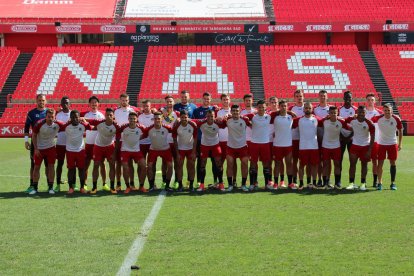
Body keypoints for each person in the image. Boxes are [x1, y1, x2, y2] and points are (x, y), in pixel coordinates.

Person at [30, 109, 64, 195]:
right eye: (48, 117)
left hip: (51, 148)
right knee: (36, 167)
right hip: (39, 149)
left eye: (52, 117)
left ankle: (51, 187)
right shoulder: (39, 124)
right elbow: (34, 136)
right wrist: (36, 148)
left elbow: (68, 125)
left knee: (51, 167)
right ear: (46, 116)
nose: (50, 118)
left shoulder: (58, 124)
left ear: (54, 117)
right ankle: (35, 188)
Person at [87, 108, 120, 194]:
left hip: (110, 147)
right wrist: (81, 118)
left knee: (112, 165)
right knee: (96, 165)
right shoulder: (99, 122)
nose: (108, 116)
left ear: (113, 117)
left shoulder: (116, 126)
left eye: (111, 115)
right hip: (98, 146)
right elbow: (88, 120)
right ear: (105, 115)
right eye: (107, 115)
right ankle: (94, 187)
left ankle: (112, 187)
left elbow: (117, 141)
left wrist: (114, 153)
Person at [371, 103, 403, 191]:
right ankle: (379, 183)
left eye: (389, 110)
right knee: (380, 163)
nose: (387, 112)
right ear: (383, 111)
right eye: (385, 110)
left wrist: (400, 144)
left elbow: (400, 131)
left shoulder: (396, 119)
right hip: (381, 144)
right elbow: (369, 121)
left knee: (392, 163)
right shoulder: (378, 118)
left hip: (392, 143)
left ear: (391, 110)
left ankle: (392, 183)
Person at [219, 104, 251, 192]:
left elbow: (252, 125)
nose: (235, 112)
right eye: (233, 111)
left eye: (237, 111)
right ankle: (230, 185)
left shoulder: (244, 120)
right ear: (231, 112)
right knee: (229, 164)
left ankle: (244, 185)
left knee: (244, 164)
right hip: (231, 147)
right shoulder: (228, 120)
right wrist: (219, 119)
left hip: (242, 146)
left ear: (239, 111)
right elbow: (220, 125)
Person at [318, 106, 350, 189]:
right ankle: (325, 183)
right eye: (331, 113)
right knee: (325, 164)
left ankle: (337, 183)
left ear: (337, 113)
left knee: (337, 164)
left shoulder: (341, 122)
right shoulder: (324, 121)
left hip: (336, 146)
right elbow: (317, 123)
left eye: (335, 113)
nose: (333, 115)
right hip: (325, 146)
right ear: (329, 113)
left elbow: (350, 128)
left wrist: (347, 138)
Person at [193, 110, 224, 192]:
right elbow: (191, 120)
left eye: (212, 116)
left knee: (218, 164)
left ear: (215, 116)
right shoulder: (202, 122)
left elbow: (227, 121)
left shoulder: (218, 123)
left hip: (215, 145)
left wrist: (225, 117)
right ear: (206, 117)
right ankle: (202, 185)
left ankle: (221, 184)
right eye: (209, 116)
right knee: (202, 165)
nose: (210, 118)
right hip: (204, 145)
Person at [61, 110, 91, 194]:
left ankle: (82, 187)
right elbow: (59, 127)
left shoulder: (83, 125)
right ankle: (71, 188)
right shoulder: (66, 126)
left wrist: (85, 121)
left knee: (81, 169)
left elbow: (91, 127)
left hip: (80, 150)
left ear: (79, 118)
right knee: (71, 169)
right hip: (70, 151)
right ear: (70, 118)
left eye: (77, 117)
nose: (75, 119)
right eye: (73, 117)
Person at [244, 100, 273, 190]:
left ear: (265, 107)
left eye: (263, 107)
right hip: (254, 143)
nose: (261, 109)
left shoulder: (269, 116)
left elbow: (280, 112)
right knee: (253, 163)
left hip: (265, 143)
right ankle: (253, 183)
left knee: (266, 164)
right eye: (259, 107)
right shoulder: (253, 116)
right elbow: (243, 117)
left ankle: (267, 184)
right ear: (257, 108)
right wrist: (249, 123)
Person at [116, 112, 148, 194]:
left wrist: (139, 138)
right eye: (130, 118)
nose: (132, 120)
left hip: (136, 150)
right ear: (128, 119)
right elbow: (117, 132)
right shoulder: (123, 127)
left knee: (144, 166)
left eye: (134, 119)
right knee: (126, 167)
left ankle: (141, 186)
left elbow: (146, 133)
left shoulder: (141, 127)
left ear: (137, 119)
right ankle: (128, 186)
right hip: (125, 150)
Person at [345, 106, 375, 191]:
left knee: (364, 165)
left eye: (363, 112)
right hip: (355, 145)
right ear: (357, 112)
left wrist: (369, 150)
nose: (362, 114)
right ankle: (351, 183)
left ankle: (363, 184)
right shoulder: (352, 120)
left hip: (365, 146)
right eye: (360, 112)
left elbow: (372, 138)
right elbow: (344, 122)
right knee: (352, 164)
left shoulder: (369, 123)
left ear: (365, 113)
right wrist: (350, 129)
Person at [292, 102, 320, 190]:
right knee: (301, 166)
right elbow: (289, 125)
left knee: (314, 165)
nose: (307, 109)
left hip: (314, 146)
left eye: (309, 108)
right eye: (306, 108)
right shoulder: (298, 120)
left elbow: (328, 120)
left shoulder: (317, 119)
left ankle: (313, 183)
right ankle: (301, 183)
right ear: (303, 109)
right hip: (303, 146)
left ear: (312, 109)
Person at [192, 92, 219, 185]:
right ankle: (199, 181)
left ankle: (216, 181)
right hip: (201, 140)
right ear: (202, 99)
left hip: (213, 140)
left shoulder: (215, 110)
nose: (206, 100)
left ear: (211, 99)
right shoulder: (196, 110)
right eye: (205, 99)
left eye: (208, 99)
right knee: (200, 161)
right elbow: (193, 124)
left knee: (214, 161)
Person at [24, 94, 48, 194]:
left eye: (43, 100)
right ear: (36, 101)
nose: (41, 102)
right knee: (33, 165)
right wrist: (26, 140)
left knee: (48, 165)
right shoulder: (32, 113)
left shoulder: (49, 112)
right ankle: (32, 185)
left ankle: (49, 186)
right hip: (35, 144)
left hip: (47, 143)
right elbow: (26, 127)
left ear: (45, 101)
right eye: (39, 100)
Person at [270, 100, 296, 189]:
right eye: (282, 106)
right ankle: (276, 183)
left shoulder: (291, 117)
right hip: (277, 145)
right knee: (277, 164)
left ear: (287, 106)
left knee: (289, 163)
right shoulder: (274, 117)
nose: (283, 107)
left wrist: (290, 112)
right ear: (279, 107)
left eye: (285, 106)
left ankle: (290, 183)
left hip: (288, 145)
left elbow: (297, 120)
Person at [114, 93, 139, 191]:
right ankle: (119, 184)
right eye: (122, 100)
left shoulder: (133, 110)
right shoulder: (116, 111)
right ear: (120, 100)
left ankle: (132, 184)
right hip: (119, 140)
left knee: (130, 163)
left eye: (126, 100)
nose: (124, 102)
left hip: (130, 141)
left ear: (128, 101)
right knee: (118, 163)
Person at [82, 96, 106, 188]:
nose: (94, 104)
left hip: (99, 144)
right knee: (86, 163)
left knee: (101, 163)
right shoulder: (86, 115)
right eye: (92, 102)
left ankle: (104, 184)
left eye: (95, 102)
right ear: (89, 104)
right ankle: (84, 184)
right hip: (89, 143)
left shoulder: (102, 115)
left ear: (98, 104)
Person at [146, 112, 174, 192]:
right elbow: (141, 135)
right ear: (153, 119)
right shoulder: (149, 129)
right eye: (155, 119)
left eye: (159, 118)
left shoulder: (167, 128)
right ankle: (151, 186)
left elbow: (175, 130)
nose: (157, 120)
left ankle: (167, 185)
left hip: (165, 149)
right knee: (150, 166)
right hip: (153, 150)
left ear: (162, 119)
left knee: (170, 165)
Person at [172, 110, 198, 191]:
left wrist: (194, 152)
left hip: (190, 149)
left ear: (188, 117)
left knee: (191, 166)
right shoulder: (176, 126)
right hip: (180, 149)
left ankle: (191, 185)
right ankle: (180, 185)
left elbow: (195, 139)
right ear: (180, 117)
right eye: (182, 117)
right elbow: (175, 140)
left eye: (186, 117)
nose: (184, 119)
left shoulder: (193, 125)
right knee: (179, 167)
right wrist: (177, 153)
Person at [217, 93, 237, 186]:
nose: (226, 101)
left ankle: (234, 181)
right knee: (220, 162)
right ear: (221, 101)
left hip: (232, 140)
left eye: (227, 99)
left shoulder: (234, 111)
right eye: (224, 99)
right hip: (221, 140)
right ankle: (221, 182)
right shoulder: (219, 112)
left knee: (233, 162)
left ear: (230, 100)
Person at [160, 95, 180, 187]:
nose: (169, 103)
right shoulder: (160, 113)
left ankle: (176, 181)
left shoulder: (177, 113)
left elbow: (169, 120)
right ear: (165, 103)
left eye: (171, 101)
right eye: (167, 101)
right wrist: (162, 111)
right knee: (164, 162)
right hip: (164, 141)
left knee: (176, 161)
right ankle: (164, 181)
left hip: (175, 141)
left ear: (174, 102)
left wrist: (165, 113)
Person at [365, 93, 383, 188]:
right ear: (366, 101)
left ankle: (375, 181)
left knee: (375, 161)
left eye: (372, 100)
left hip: (375, 140)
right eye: (368, 100)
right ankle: (362, 181)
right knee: (363, 162)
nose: (370, 101)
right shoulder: (362, 112)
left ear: (375, 101)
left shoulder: (379, 113)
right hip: (364, 140)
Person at [313, 90, 330, 187]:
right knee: (319, 160)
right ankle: (319, 179)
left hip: (329, 138)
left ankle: (327, 179)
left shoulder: (331, 108)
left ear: (327, 97)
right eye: (321, 96)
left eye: (324, 96)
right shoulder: (315, 109)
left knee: (328, 160)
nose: (322, 97)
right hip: (318, 138)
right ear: (318, 97)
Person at [54, 96, 71, 192]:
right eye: (63, 102)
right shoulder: (58, 115)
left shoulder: (73, 114)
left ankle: (72, 184)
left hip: (71, 143)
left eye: (67, 103)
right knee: (60, 164)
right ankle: (58, 184)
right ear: (61, 104)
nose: (65, 104)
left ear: (69, 104)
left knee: (71, 165)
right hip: (60, 143)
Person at [289, 89, 305, 185]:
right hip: (294, 138)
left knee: (304, 161)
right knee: (294, 160)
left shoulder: (308, 108)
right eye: (297, 96)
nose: (299, 98)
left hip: (305, 139)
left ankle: (304, 180)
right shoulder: (291, 109)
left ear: (303, 97)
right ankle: (294, 180)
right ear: (294, 98)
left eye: (301, 96)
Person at [339, 91, 358, 166]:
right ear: (343, 98)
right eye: (346, 97)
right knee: (339, 160)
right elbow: (337, 124)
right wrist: (342, 137)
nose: (348, 99)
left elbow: (357, 125)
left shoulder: (356, 110)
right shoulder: (339, 109)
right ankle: (338, 178)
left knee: (352, 161)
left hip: (352, 139)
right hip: (341, 138)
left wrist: (350, 137)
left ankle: (351, 178)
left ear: (352, 98)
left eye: (349, 97)